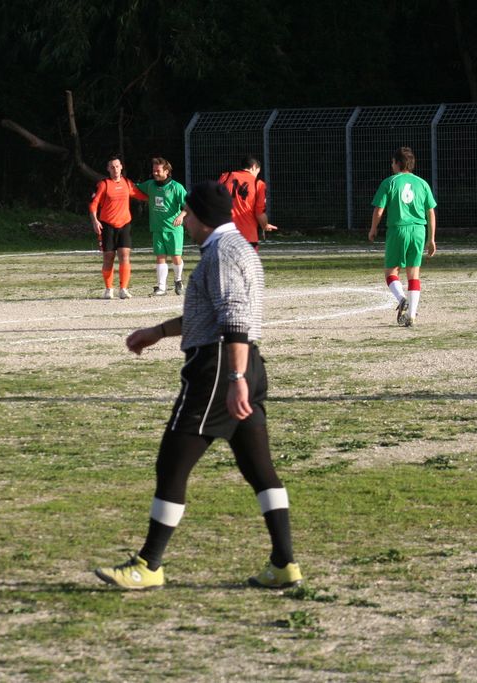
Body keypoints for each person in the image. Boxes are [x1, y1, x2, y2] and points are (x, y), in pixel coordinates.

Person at [94, 180, 302, 590]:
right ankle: (284, 563)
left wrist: (235, 379)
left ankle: (148, 565)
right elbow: (212, 314)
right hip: (244, 362)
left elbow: (234, 318)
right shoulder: (236, 247)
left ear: (202, 218)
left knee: (172, 463)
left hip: (219, 369)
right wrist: (158, 331)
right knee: (260, 469)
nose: (183, 220)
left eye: (187, 213)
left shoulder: (222, 253)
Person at [368, 147, 437, 327]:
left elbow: (379, 209)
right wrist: (431, 238)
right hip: (419, 230)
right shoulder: (422, 183)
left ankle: (401, 299)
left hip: (398, 229)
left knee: (391, 271)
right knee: (414, 273)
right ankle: (411, 316)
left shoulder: (390, 182)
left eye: (392, 162)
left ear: (398, 163)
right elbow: (430, 212)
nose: (392, 165)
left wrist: (373, 228)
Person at [89, 155, 147, 299]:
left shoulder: (127, 183)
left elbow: (141, 195)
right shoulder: (104, 184)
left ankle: (123, 289)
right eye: (112, 167)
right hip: (107, 225)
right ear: (108, 169)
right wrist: (95, 221)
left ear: (121, 167)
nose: (115, 169)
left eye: (117, 166)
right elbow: (94, 204)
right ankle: (109, 289)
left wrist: (160, 194)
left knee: (124, 255)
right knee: (108, 257)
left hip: (124, 224)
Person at [135, 157, 188, 296]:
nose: (155, 173)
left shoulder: (176, 187)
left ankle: (178, 280)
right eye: (154, 170)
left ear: (166, 171)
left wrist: (181, 216)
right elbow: (135, 188)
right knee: (160, 257)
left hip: (173, 229)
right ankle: (161, 287)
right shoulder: (150, 185)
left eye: (158, 171)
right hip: (157, 228)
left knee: (176, 257)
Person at [218, 155, 278, 249]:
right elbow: (259, 213)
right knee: (248, 259)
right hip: (247, 235)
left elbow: (213, 200)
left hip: (224, 234)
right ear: (254, 167)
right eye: (257, 171)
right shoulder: (258, 184)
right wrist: (265, 225)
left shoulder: (226, 177)